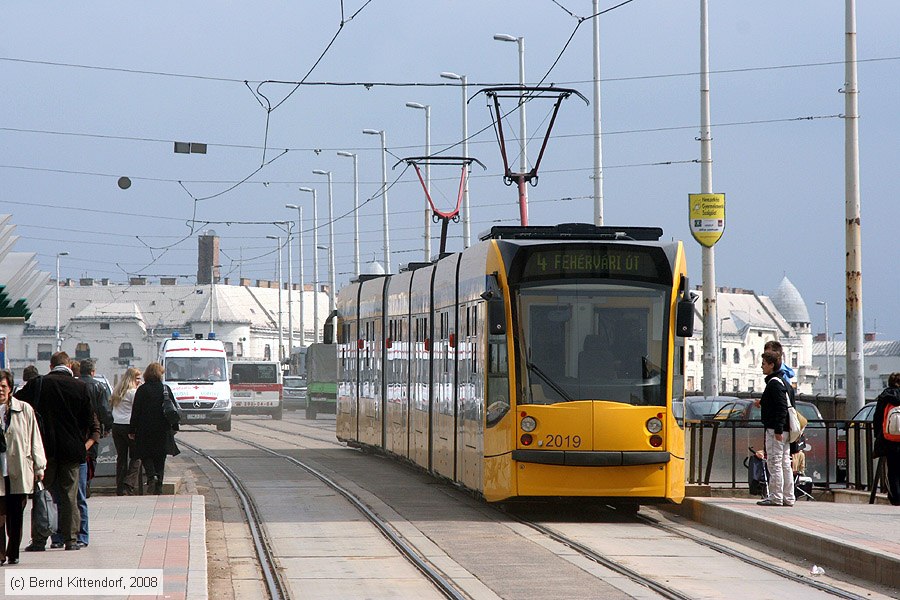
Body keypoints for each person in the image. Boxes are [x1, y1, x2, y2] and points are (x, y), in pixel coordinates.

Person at [15, 351, 93, 551]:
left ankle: (40, 539)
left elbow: (16, 403)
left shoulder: (38, 384)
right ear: (69, 366)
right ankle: (71, 540)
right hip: (72, 449)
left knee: (43, 493)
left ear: (50, 366)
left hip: (44, 448)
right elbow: (87, 420)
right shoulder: (80, 387)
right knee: (69, 496)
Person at [0, 369, 46, 565]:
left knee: (15, 514)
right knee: (0, 514)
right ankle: (0, 554)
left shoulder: (24, 409)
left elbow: (35, 438)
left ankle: (13, 551)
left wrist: (39, 466)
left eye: (3, 386)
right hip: (0, 472)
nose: (0, 390)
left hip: (19, 468)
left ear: (10, 388)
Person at [130, 363, 179, 495]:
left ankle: (151, 476)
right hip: (163, 429)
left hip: (144, 428)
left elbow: (136, 411)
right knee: (160, 458)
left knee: (145, 454)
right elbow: (173, 410)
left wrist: (132, 429)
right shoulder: (165, 389)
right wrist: (175, 427)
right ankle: (159, 488)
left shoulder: (142, 390)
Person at [754, 350, 795, 507]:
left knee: (774, 462)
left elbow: (781, 407)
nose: (762, 366)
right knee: (785, 463)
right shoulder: (784, 382)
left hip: (776, 430)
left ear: (771, 365)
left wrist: (777, 429)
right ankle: (788, 497)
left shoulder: (774, 383)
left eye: (764, 363)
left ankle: (776, 497)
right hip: (785, 430)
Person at [111, 368, 142, 496]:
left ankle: (119, 487)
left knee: (121, 458)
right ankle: (128, 484)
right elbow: (137, 410)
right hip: (129, 426)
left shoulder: (117, 391)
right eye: (138, 378)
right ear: (132, 379)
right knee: (137, 456)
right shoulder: (133, 393)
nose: (140, 381)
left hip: (116, 426)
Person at [873, 372, 900, 505]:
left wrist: (878, 436)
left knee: (893, 470)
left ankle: (896, 498)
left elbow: (877, 418)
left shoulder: (885, 397)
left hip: (889, 439)